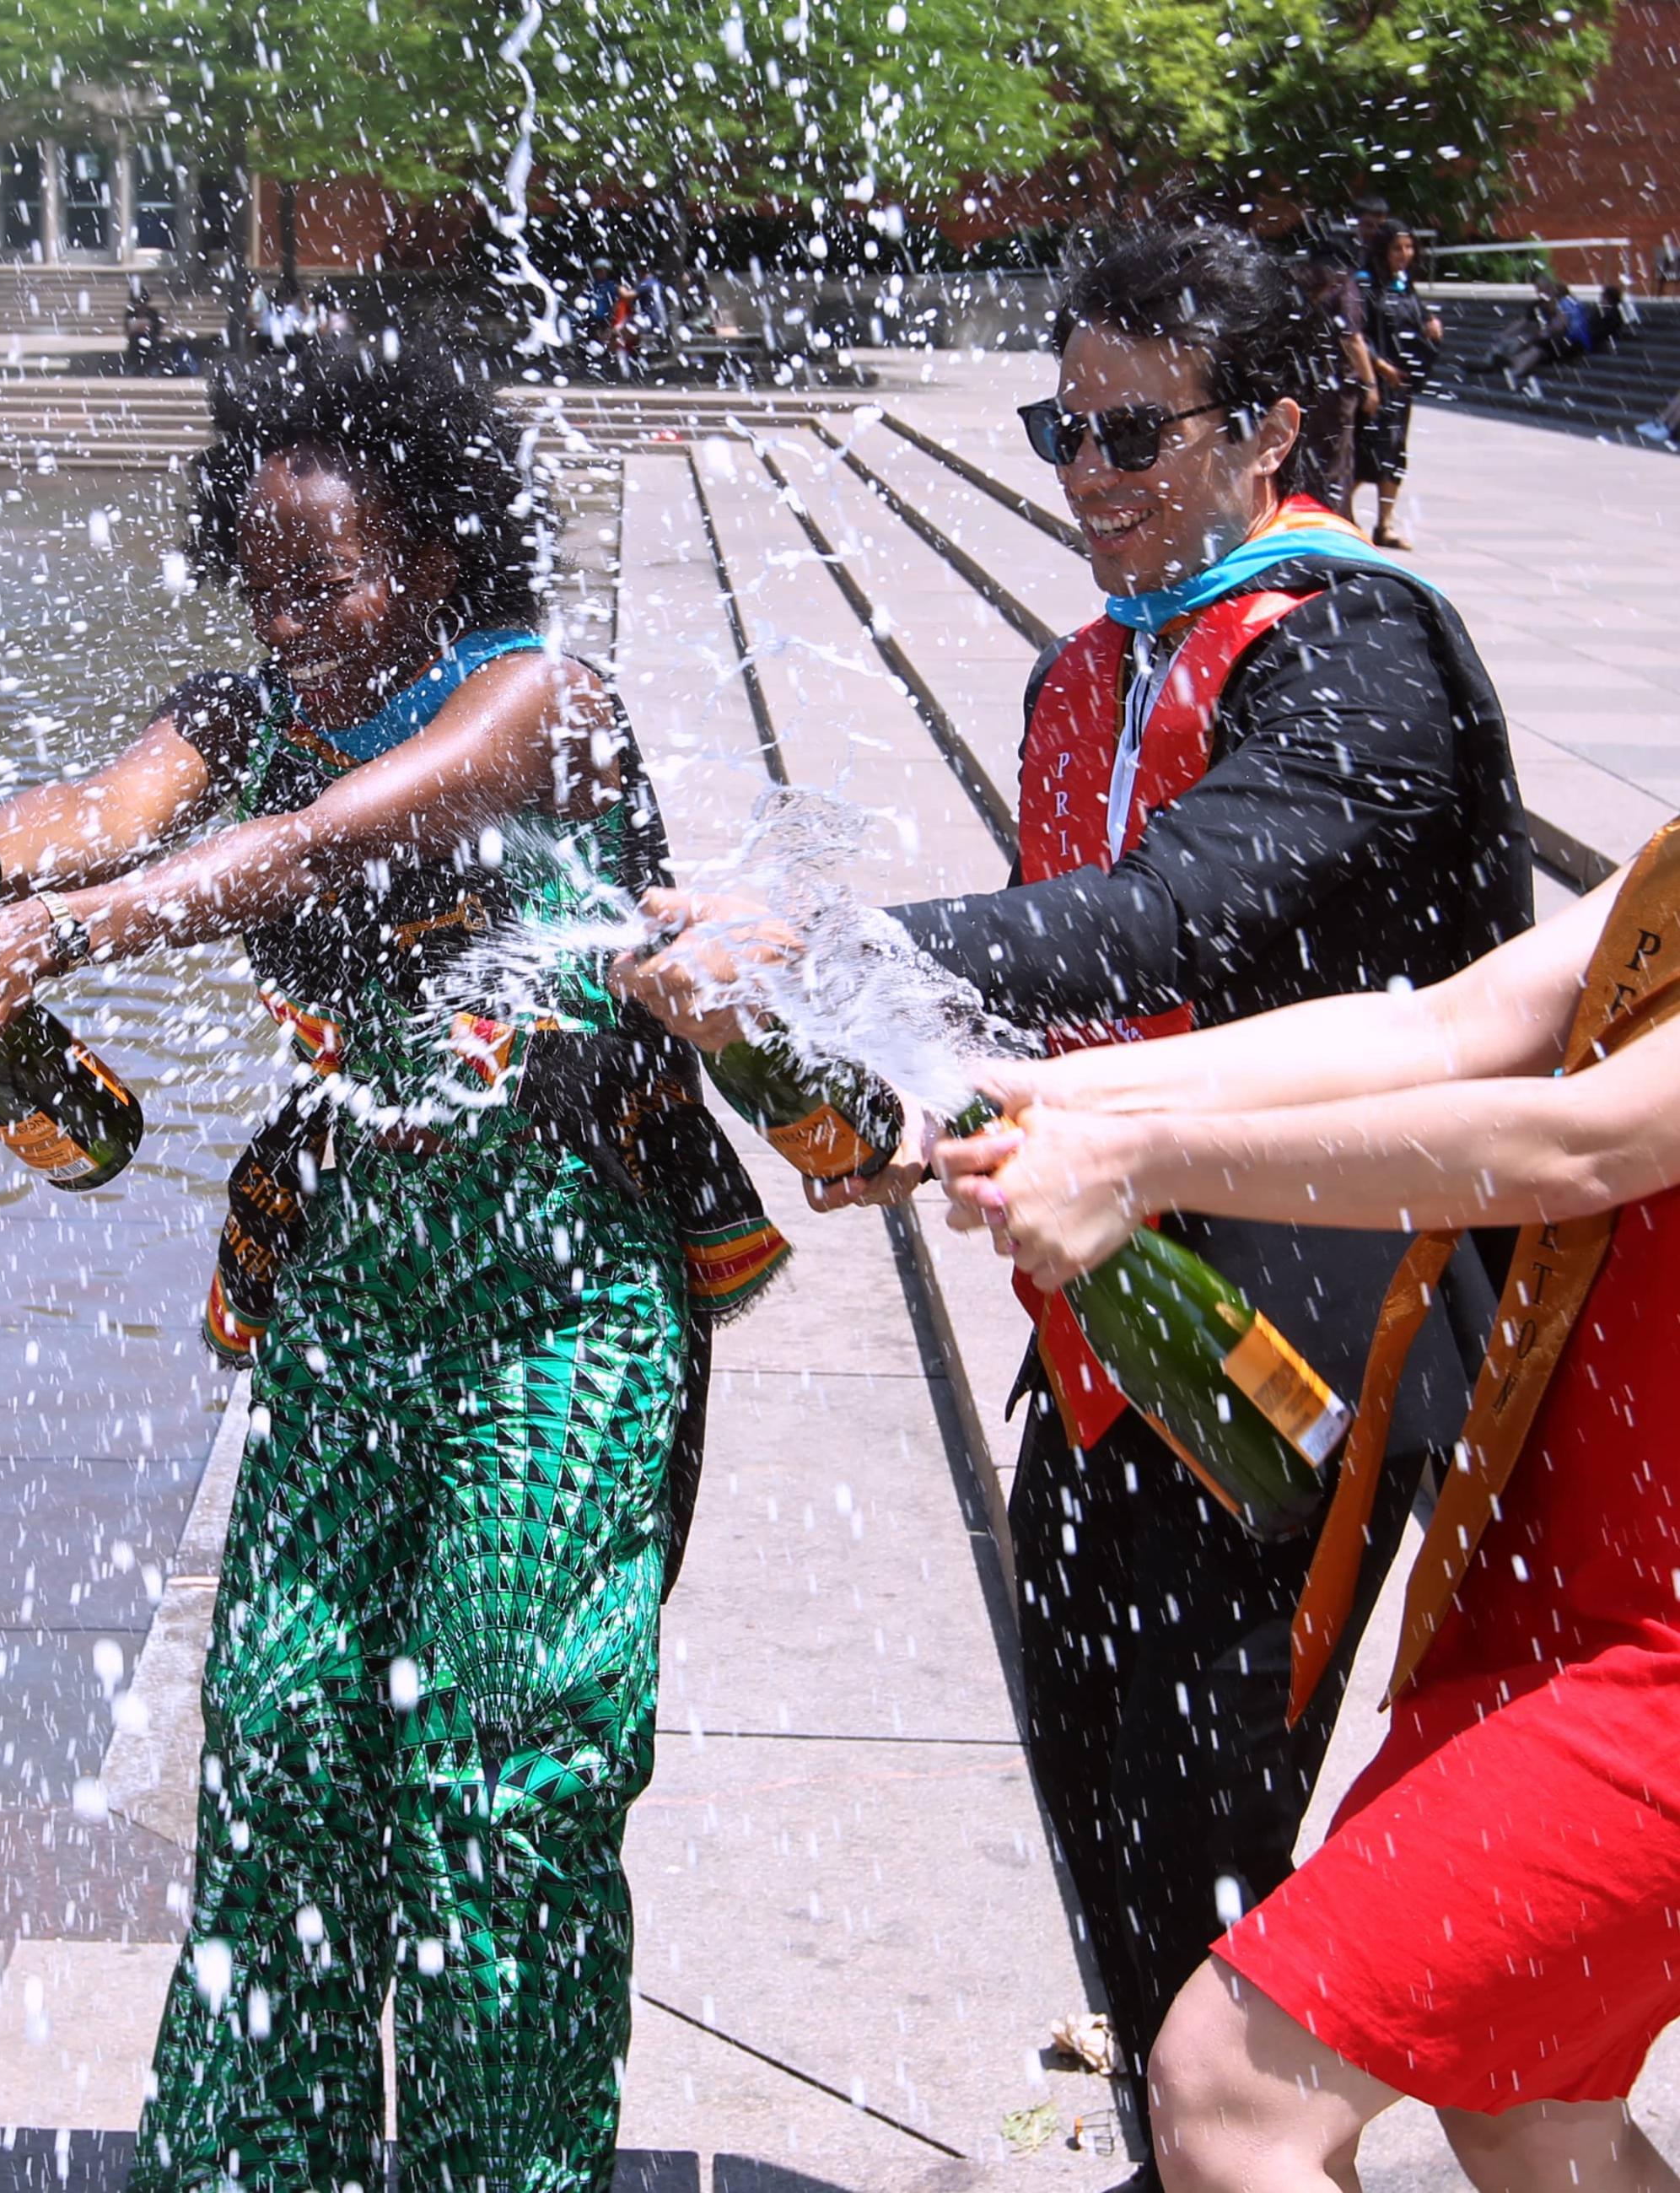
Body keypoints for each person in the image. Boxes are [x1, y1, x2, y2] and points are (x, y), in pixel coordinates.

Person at [0, 336, 788, 2193]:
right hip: (354, 1277)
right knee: (276, 1734)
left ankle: (507, 2169)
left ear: (429, 556)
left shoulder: (536, 697)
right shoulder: (246, 708)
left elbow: (312, 844)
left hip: (564, 1285)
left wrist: (67, 934)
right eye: (261, 578)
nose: (292, 615)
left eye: (325, 577)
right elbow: (93, 812)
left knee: (499, 1760)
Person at [612, 219, 1532, 2190]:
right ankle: (1173, 2147)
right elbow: (1050, 981)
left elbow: (1181, 914)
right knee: (1103, 1791)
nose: (1089, 472)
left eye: (1135, 430)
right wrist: (843, 1044)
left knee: (1212, 1811)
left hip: (1314, 1339)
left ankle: (1227, 2148)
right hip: (1105, 1331)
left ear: (1269, 425)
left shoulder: (1355, 651)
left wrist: (833, 939)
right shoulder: (1087, 667)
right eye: (1060, 423)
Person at [930, 816, 1680, 2192]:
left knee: (1236, 2093)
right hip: (1567, 1600)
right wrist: (1052, 1099)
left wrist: (1143, 1161)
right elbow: (1445, 1028)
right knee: (1532, 2118)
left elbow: (1585, 1143)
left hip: (1656, 1678)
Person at [1354, 223, 1440, 548]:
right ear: (1382, 250)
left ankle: (1384, 525)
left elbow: (1418, 317)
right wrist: (1378, 368)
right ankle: (1342, 516)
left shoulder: (1405, 286)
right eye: (1397, 248)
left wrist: (1430, 324)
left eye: (1409, 248)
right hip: (1373, 384)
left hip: (1402, 384)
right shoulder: (1366, 285)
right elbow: (1357, 332)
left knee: (1394, 451)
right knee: (1367, 453)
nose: (1405, 255)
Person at [1293, 240, 1378, 515]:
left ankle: (1306, 512)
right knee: (1337, 460)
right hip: (1337, 386)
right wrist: (1371, 384)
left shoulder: (1303, 284)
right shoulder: (1342, 286)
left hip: (1307, 381)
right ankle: (1331, 518)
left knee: (1308, 454)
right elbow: (1352, 340)